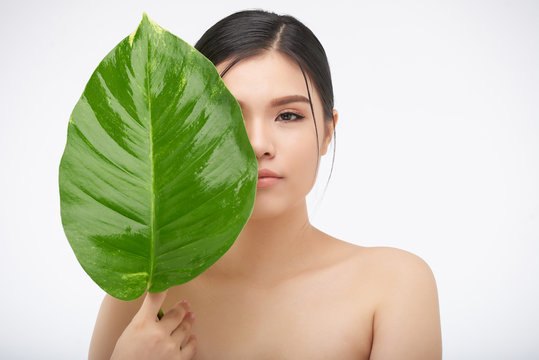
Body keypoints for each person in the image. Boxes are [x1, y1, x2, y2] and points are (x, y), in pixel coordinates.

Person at [88, 9, 442, 360]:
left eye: (288, 115)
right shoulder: (144, 296)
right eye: (228, 113)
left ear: (327, 132)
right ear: (188, 133)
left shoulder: (394, 287)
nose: (258, 144)